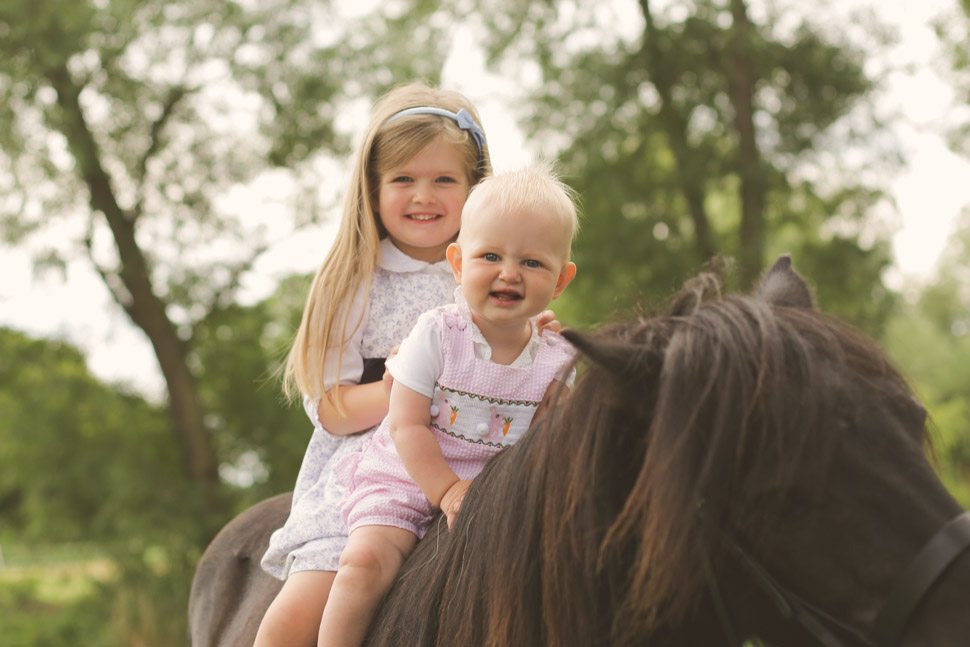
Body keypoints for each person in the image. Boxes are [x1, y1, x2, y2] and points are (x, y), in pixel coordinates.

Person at [254, 82, 495, 646]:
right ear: (373, 187)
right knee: (291, 625)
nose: (423, 196)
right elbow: (332, 409)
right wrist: (405, 389)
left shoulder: (493, 272)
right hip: (372, 471)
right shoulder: (355, 281)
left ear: (474, 187)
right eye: (403, 179)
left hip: (474, 461)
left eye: (444, 180)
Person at [318, 165, 579, 646]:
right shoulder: (437, 334)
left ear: (560, 280)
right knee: (362, 564)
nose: (509, 273)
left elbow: (555, 442)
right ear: (458, 264)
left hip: (499, 495)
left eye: (532, 263)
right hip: (406, 478)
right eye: (491, 256)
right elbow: (406, 426)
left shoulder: (558, 361)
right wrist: (447, 491)